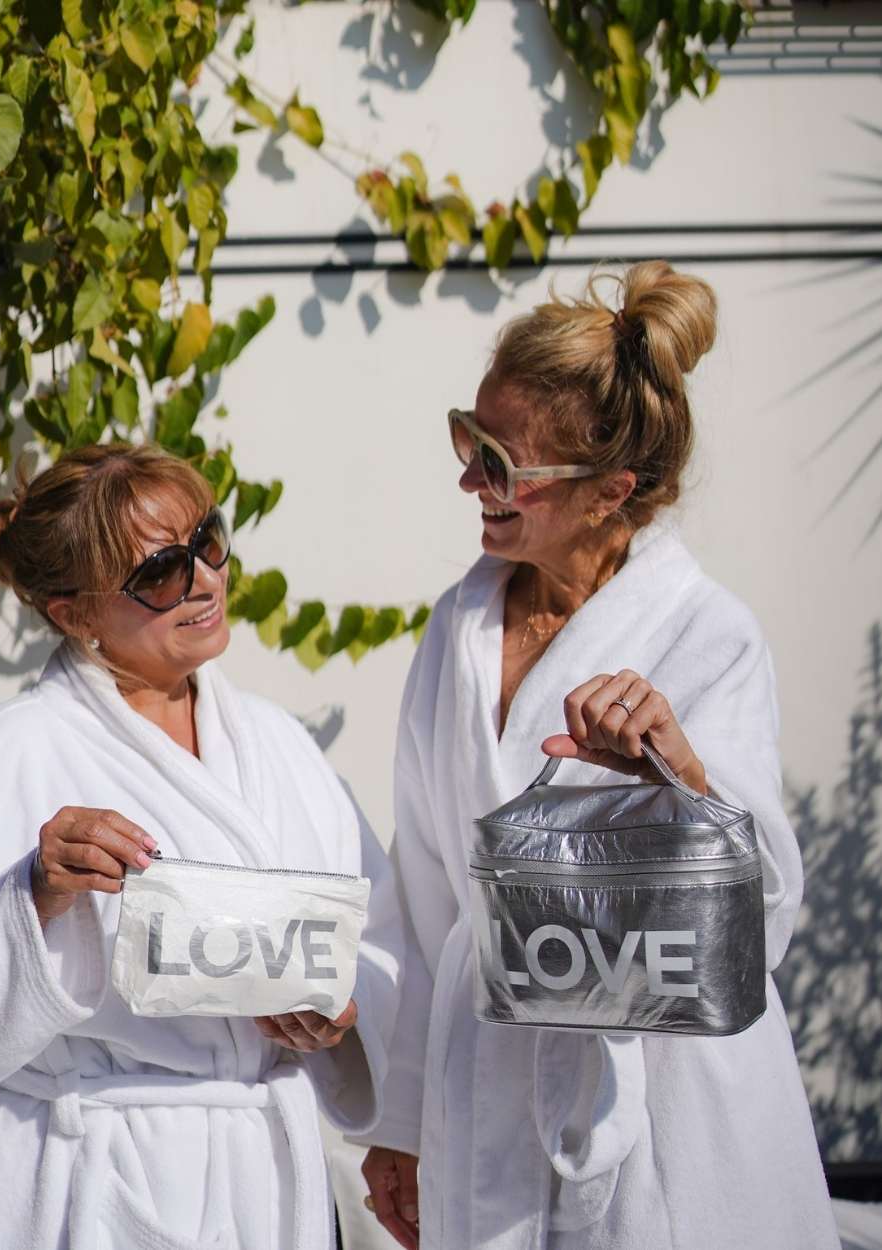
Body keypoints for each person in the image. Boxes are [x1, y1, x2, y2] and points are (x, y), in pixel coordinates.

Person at [356, 262, 839, 1250]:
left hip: (661, 1105)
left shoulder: (707, 635)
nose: (466, 480)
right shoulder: (459, 625)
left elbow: (763, 916)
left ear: (608, 490)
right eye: (466, 440)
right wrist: (398, 1122)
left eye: (497, 462)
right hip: (480, 1091)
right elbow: (421, 892)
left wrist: (683, 776)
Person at [0, 444, 405, 1250]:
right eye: (159, 574)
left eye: (208, 543)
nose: (204, 581)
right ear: (72, 613)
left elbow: (378, 942)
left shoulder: (281, 746)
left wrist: (340, 1019)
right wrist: (33, 893)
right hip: (80, 1183)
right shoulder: (14, 752)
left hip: (259, 1179)